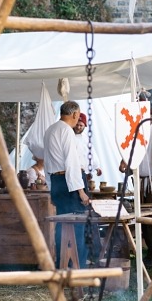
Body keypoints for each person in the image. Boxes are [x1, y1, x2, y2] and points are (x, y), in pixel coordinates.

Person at [43, 101, 92, 266]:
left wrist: (51, 188)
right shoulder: (66, 131)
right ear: (75, 114)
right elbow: (72, 163)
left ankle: (62, 265)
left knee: (62, 225)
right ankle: (78, 268)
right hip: (69, 183)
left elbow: (47, 163)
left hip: (57, 182)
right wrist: (81, 191)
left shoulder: (50, 130)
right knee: (78, 225)